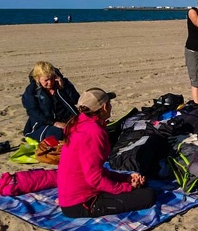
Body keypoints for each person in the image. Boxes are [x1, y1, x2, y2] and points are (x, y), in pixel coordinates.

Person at [58, 88, 156, 218]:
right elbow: (94, 178)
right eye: (109, 104)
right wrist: (126, 187)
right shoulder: (93, 132)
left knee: (142, 186)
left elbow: (95, 169)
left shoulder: (78, 123)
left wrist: (124, 179)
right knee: (147, 196)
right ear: (104, 107)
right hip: (81, 202)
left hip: (72, 194)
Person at [22, 61, 80, 141]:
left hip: (67, 119)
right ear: (37, 78)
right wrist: (54, 123)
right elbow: (33, 112)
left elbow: (75, 100)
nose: (50, 82)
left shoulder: (64, 84)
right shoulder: (32, 91)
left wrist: (63, 88)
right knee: (57, 134)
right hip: (44, 123)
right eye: (46, 80)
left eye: (52, 78)